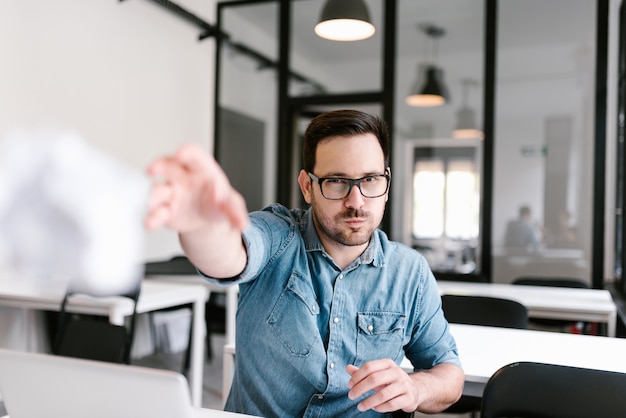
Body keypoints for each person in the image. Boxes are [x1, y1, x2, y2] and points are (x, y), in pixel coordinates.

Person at [145, 109, 464, 417]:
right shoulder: (277, 236)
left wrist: (415, 387)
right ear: (307, 186)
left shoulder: (410, 273)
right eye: (337, 181)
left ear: (386, 184)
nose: (356, 201)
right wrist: (200, 224)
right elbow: (226, 255)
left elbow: (449, 373)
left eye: (369, 179)